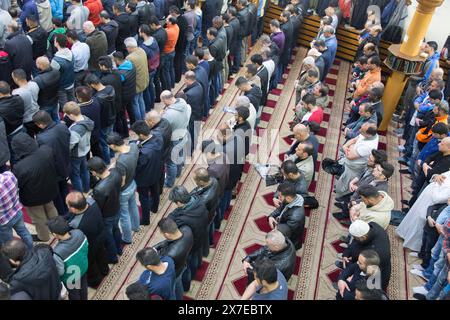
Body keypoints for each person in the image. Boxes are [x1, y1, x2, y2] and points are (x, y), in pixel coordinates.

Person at [11, 132, 59, 242]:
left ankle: (44, 237)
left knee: (39, 218)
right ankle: (57, 228)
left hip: (33, 197)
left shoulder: (19, 167)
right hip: (50, 189)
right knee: (51, 208)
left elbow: (19, 185)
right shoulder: (46, 150)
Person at [65, 191, 109, 288]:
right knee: (101, 254)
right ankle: (105, 270)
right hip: (101, 234)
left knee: (91, 262)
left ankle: (95, 281)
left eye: (67, 205)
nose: (67, 207)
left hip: (90, 244)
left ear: (73, 209)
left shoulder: (76, 225)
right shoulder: (91, 202)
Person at [168, 186, 208, 288]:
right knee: (197, 255)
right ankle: (198, 266)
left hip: (191, 242)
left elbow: (170, 224)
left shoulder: (182, 218)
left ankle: (187, 284)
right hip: (202, 234)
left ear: (179, 202)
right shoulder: (199, 200)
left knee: (188, 264)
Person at [34, 110, 71, 216]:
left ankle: (63, 213)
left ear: (40, 124)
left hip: (54, 170)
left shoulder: (41, 138)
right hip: (66, 163)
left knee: (56, 193)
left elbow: (43, 156)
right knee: (64, 187)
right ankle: (68, 208)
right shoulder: (62, 127)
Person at [106, 132, 140, 244]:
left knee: (124, 215)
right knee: (133, 206)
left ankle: (127, 238)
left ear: (113, 146)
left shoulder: (121, 162)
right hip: (133, 183)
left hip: (124, 190)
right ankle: (136, 227)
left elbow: (122, 181)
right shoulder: (133, 147)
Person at [340, 220, 391, 291]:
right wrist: (346, 254)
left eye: (355, 237)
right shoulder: (371, 226)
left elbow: (365, 275)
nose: (354, 239)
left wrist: (347, 281)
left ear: (363, 237)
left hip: (373, 276)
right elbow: (356, 242)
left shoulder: (376, 254)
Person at [47, 216, 89, 300]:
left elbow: (60, 271)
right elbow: (87, 246)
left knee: (74, 293)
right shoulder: (79, 233)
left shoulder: (57, 253)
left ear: (54, 234)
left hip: (71, 277)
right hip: (83, 267)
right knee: (83, 286)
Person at [131, 121, 163, 225]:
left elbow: (137, 166)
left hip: (144, 178)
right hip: (157, 171)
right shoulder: (158, 136)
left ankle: (145, 220)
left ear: (141, 135)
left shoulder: (144, 153)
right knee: (155, 191)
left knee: (143, 198)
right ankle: (154, 208)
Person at [154, 217, 193, 300]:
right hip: (183, 262)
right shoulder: (186, 229)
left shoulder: (169, 254)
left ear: (167, 234)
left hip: (175, 272)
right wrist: (156, 247)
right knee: (183, 276)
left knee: (174, 287)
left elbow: (161, 265)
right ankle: (186, 288)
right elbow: (169, 241)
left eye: (162, 233)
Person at [160, 90, 191, 188]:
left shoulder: (169, 114)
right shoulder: (183, 103)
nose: (163, 103)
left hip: (174, 139)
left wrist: (161, 115)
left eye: (163, 101)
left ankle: (169, 183)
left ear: (167, 99)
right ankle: (178, 173)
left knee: (170, 162)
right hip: (184, 134)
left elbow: (161, 128)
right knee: (180, 155)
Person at [85, 74, 116, 165]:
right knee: (111, 137)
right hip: (112, 118)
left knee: (103, 143)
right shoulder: (110, 88)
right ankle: (112, 154)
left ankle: (106, 161)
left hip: (104, 123)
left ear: (92, 85)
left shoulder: (97, 98)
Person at [64, 102, 94, 193]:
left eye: (68, 115)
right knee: (84, 171)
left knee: (75, 175)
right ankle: (86, 189)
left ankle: (79, 193)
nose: (67, 117)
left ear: (72, 115)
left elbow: (71, 145)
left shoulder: (76, 130)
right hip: (84, 150)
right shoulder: (86, 119)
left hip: (75, 154)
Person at [0, 171, 33, 249]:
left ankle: (14, 255)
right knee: (24, 232)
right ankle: (31, 248)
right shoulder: (9, 176)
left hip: (3, 221)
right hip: (17, 211)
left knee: (8, 242)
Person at [190, 168, 220, 253]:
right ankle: (211, 242)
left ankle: (205, 250)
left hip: (205, 217)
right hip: (212, 211)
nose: (195, 182)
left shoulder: (204, 199)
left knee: (204, 234)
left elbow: (195, 210)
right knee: (210, 227)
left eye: (196, 180)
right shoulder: (213, 180)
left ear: (202, 182)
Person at [268, 182, 305, 250]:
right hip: (285, 223)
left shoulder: (295, 217)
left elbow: (286, 231)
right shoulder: (293, 198)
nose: (278, 198)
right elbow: (280, 209)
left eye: (280, 196)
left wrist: (275, 228)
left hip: (290, 239)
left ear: (288, 198)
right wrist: (271, 216)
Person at [125, 37, 149, 122]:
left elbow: (126, 72)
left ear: (130, 47)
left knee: (135, 103)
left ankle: (138, 121)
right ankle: (143, 118)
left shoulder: (130, 58)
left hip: (136, 85)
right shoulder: (142, 51)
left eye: (126, 47)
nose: (126, 49)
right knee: (140, 100)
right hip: (143, 82)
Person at [11, 69, 39, 135]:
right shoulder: (34, 84)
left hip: (27, 119)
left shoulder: (16, 93)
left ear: (16, 79)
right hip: (37, 114)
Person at [32, 56, 60, 122]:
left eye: (36, 63)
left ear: (40, 65)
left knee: (47, 122)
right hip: (55, 100)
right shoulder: (56, 72)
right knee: (55, 117)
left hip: (44, 104)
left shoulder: (38, 80)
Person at [51, 34, 75, 109]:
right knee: (73, 103)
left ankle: (68, 119)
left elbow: (52, 76)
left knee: (65, 107)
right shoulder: (71, 53)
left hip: (61, 87)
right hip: (71, 82)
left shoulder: (56, 60)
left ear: (57, 43)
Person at [113, 51, 136, 126]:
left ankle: (125, 127)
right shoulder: (131, 65)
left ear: (116, 60)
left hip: (124, 96)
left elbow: (118, 84)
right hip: (131, 92)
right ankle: (134, 123)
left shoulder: (120, 74)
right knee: (130, 108)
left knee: (122, 113)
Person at [183, 70, 204, 151]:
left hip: (193, 116)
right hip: (198, 113)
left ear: (188, 80)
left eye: (185, 79)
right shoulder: (198, 85)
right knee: (195, 133)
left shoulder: (189, 94)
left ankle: (190, 150)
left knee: (191, 134)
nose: (184, 80)